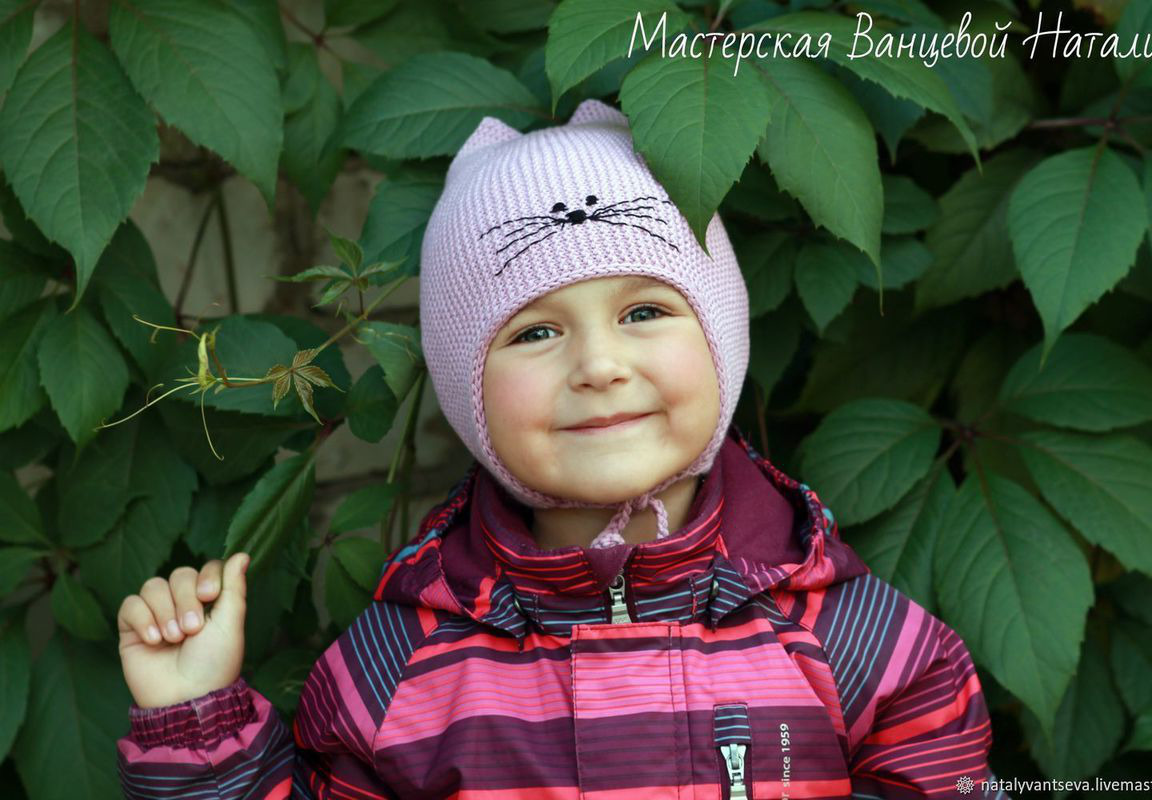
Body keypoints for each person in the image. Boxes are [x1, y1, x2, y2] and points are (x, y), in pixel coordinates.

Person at [115, 98, 1007, 799]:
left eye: (645, 310)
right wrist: (196, 727)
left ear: (723, 340)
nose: (599, 366)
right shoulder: (395, 671)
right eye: (535, 332)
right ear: (466, 389)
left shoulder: (864, 648)